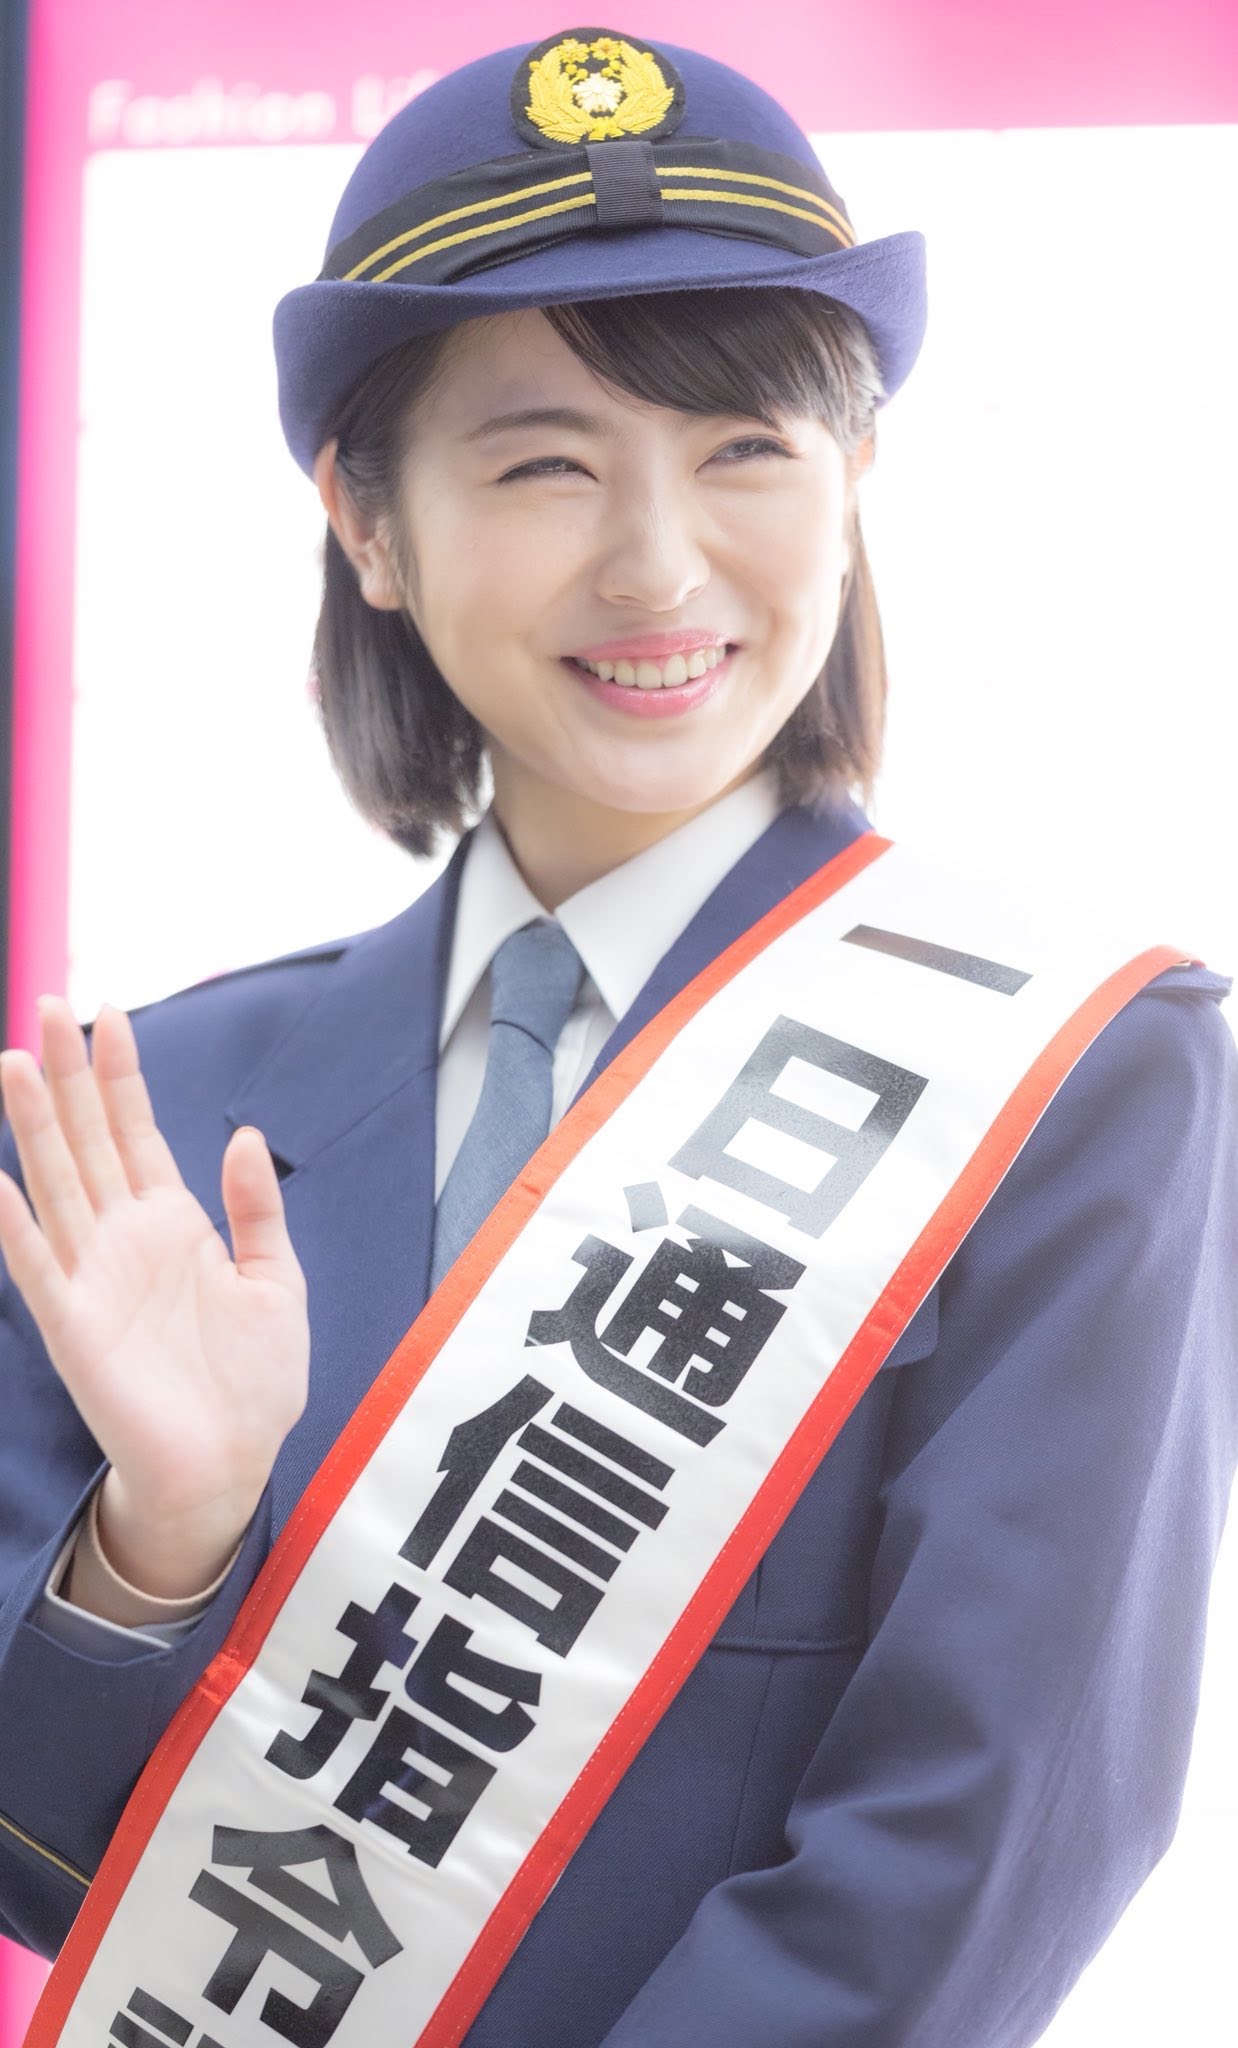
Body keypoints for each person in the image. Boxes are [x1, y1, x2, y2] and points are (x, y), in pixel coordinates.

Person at [0, 26, 1235, 2048]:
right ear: (367, 522)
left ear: (851, 484)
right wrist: (165, 1547)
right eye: (544, 463)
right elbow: (39, 1858)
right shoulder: (156, 1119)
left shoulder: (1072, 1078)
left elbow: (980, 1845)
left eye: (744, 447)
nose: (658, 563)